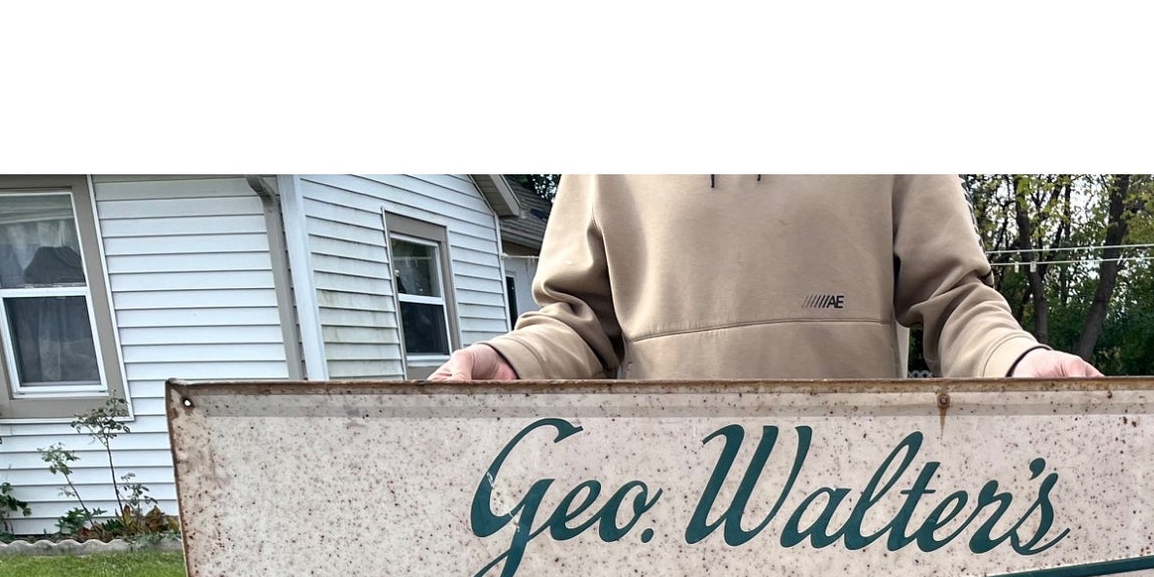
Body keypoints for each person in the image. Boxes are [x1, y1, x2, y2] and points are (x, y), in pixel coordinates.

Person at [430, 175, 1100, 384]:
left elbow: (955, 300)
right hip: (666, 511)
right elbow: (579, 321)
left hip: (859, 510)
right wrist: (515, 364)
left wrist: (1018, 364)